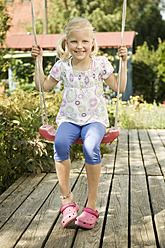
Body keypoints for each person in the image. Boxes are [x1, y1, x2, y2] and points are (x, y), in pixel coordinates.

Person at [31, 17, 127, 229]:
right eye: (74, 41)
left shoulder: (101, 64)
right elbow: (43, 86)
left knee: (90, 147)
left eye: (84, 41)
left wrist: (123, 62)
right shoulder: (62, 66)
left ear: (92, 42)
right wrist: (38, 62)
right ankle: (66, 200)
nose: (79, 46)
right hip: (69, 119)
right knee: (60, 144)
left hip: (95, 120)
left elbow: (119, 87)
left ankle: (91, 204)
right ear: (66, 43)